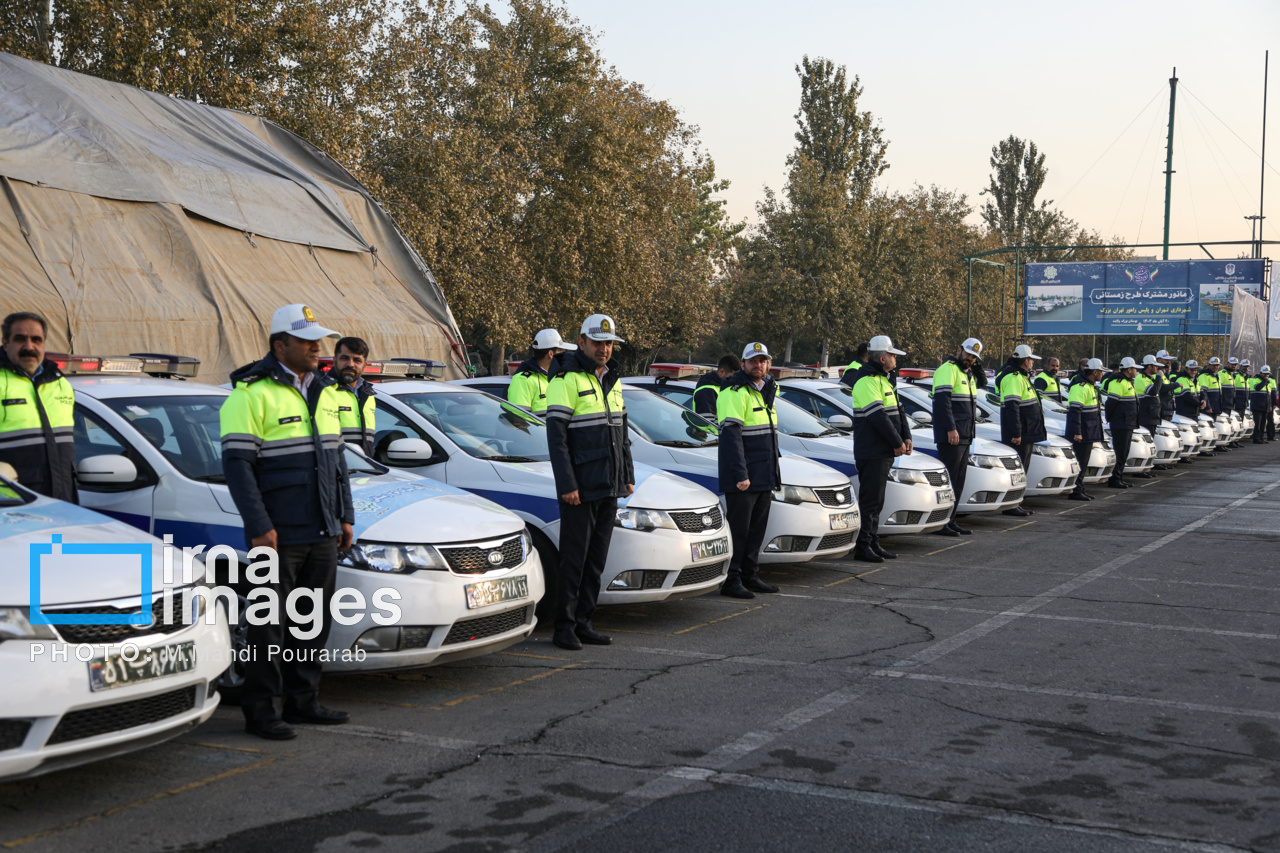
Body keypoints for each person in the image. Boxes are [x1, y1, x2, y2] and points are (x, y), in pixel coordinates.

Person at [220, 304, 354, 740]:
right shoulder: (250, 394)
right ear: (280, 345)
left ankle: (303, 702)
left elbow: (338, 464)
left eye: (319, 338)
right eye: (307, 340)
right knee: (267, 627)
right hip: (276, 534)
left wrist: (345, 517)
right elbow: (238, 468)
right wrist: (259, 526)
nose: (318, 346)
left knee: (311, 622)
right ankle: (262, 712)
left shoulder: (328, 391)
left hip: (322, 529)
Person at [544, 314, 634, 651]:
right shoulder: (565, 379)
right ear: (581, 342)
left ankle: (584, 622)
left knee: (596, 560)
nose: (604, 348)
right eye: (597, 342)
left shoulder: (613, 379)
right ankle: (564, 627)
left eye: (609, 343)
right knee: (574, 560)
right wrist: (567, 484)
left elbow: (622, 435)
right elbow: (557, 440)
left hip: (608, 485)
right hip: (579, 488)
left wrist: (627, 476)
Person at [716, 343, 783, 598]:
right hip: (744, 477)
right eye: (753, 361)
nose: (759, 365)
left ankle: (750, 575)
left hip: (764, 474)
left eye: (763, 361)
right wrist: (741, 475)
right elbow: (731, 438)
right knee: (739, 532)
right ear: (743, 364)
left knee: (756, 530)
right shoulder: (735, 391)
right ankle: (731, 580)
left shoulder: (766, 390)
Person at [0, 312, 76, 502]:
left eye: (36, 340)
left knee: (56, 534)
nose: (29, 347)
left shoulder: (60, 383)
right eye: (20, 339)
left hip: (61, 502)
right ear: (5, 342)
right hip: (13, 509)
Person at [850, 335, 912, 563]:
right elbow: (877, 417)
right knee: (871, 501)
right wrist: (897, 442)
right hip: (872, 450)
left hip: (882, 450)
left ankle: (872, 541)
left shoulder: (884, 379)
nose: (896, 359)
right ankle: (863, 546)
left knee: (878, 500)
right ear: (883, 357)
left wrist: (906, 436)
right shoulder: (867, 381)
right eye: (893, 355)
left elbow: (898, 410)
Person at [929, 337, 986, 537]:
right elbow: (943, 404)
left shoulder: (967, 373)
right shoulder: (948, 369)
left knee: (958, 481)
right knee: (949, 480)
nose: (970, 359)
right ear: (959, 349)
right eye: (969, 354)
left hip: (965, 435)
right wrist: (951, 429)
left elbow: (984, 382)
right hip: (952, 435)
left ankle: (951, 519)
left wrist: (976, 366)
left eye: (974, 357)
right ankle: (942, 522)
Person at [993, 344, 1046, 516]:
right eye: (1031, 359)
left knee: (1022, 469)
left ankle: (1016, 503)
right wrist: (1016, 433)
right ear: (1025, 361)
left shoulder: (1021, 376)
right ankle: (1011, 505)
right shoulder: (1014, 377)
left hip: (1026, 431)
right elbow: (1012, 408)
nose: (1032, 363)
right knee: (1018, 470)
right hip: (1020, 433)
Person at [509, 329, 577, 415]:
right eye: (561, 351)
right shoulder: (522, 380)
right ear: (551, 354)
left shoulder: (557, 377)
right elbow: (519, 420)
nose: (563, 355)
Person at [1064, 358, 1105, 501]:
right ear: (1094, 372)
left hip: (1089, 431)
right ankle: (1075, 491)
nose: (1102, 374)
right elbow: (1075, 412)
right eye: (1100, 371)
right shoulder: (1080, 387)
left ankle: (1080, 488)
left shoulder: (1090, 386)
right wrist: (1077, 432)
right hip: (1082, 433)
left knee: (1083, 463)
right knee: (1079, 462)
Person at [333, 337, 377, 455]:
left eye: (357, 360)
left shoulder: (369, 395)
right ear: (334, 360)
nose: (350, 364)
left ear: (365, 365)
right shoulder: (323, 390)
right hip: (333, 469)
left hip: (363, 467)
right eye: (344, 358)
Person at [1102, 357, 1140, 487]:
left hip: (1128, 422)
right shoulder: (1118, 382)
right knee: (1120, 452)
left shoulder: (1128, 382)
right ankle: (1114, 479)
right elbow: (1110, 403)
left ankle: (1119, 477)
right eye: (1135, 369)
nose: (1136, 371)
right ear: (1129, 370)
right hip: (1121, 423)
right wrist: (1111, 418)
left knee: (1124, 452)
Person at [1134, 355, 1166, 473]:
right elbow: (1153, 391)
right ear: (1149, 366)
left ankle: (1147, 468)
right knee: (1146, 443)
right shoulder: (1141, 378)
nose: (1157, 369)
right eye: (1155, 366)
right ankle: (1143, 470)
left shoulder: (1149, 378)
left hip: (1152, 415)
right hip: (1146, 415)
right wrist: (1159, 378)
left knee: (1150, 443)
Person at [1174, 360, 1212, 459]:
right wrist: (1199, 404)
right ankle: (1183, 455)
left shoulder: (1196, 380)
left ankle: (1189, 454)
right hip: (1184, 412)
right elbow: (1187, 396)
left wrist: (1203, 400)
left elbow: (1202, 392)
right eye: (1191, 370)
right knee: (1185, 435)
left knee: (1192, 434)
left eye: (1195, 370)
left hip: (1194, 411)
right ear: (1186, 369)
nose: (1194, 372)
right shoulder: (1182, 379)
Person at [694, 354, 741, 418]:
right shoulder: (707, 391)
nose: (734, 381)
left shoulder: (722, 388)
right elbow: (707, 425)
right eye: (732, 377)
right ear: (721, 372)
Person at [1250, 365, 1274, 444]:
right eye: (1265, 374)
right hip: (1257, 406)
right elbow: (1257, 388)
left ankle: (1260, 438)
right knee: (1258, 424)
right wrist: (1264, 381)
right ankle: (1256, 438)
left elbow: (1268, 395)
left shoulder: (1268, 382)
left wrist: (1270, 405)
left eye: (1268, 374)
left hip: (1265, 406)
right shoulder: (1255, 380)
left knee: (1263, 423)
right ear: (1260, 373)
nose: (1266, 375)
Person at [1221, 358, 1242, 448]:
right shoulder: (1222, 374)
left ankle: (1228, 442)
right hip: (1224, 404)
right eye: (1232, 364)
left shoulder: (1232, 375)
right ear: (1227, 363)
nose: (1234, 366)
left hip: (1230, 404)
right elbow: (1219, 390)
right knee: (1223, 424)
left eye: (1235, 364)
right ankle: (1222, 443)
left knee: (1228, 425)